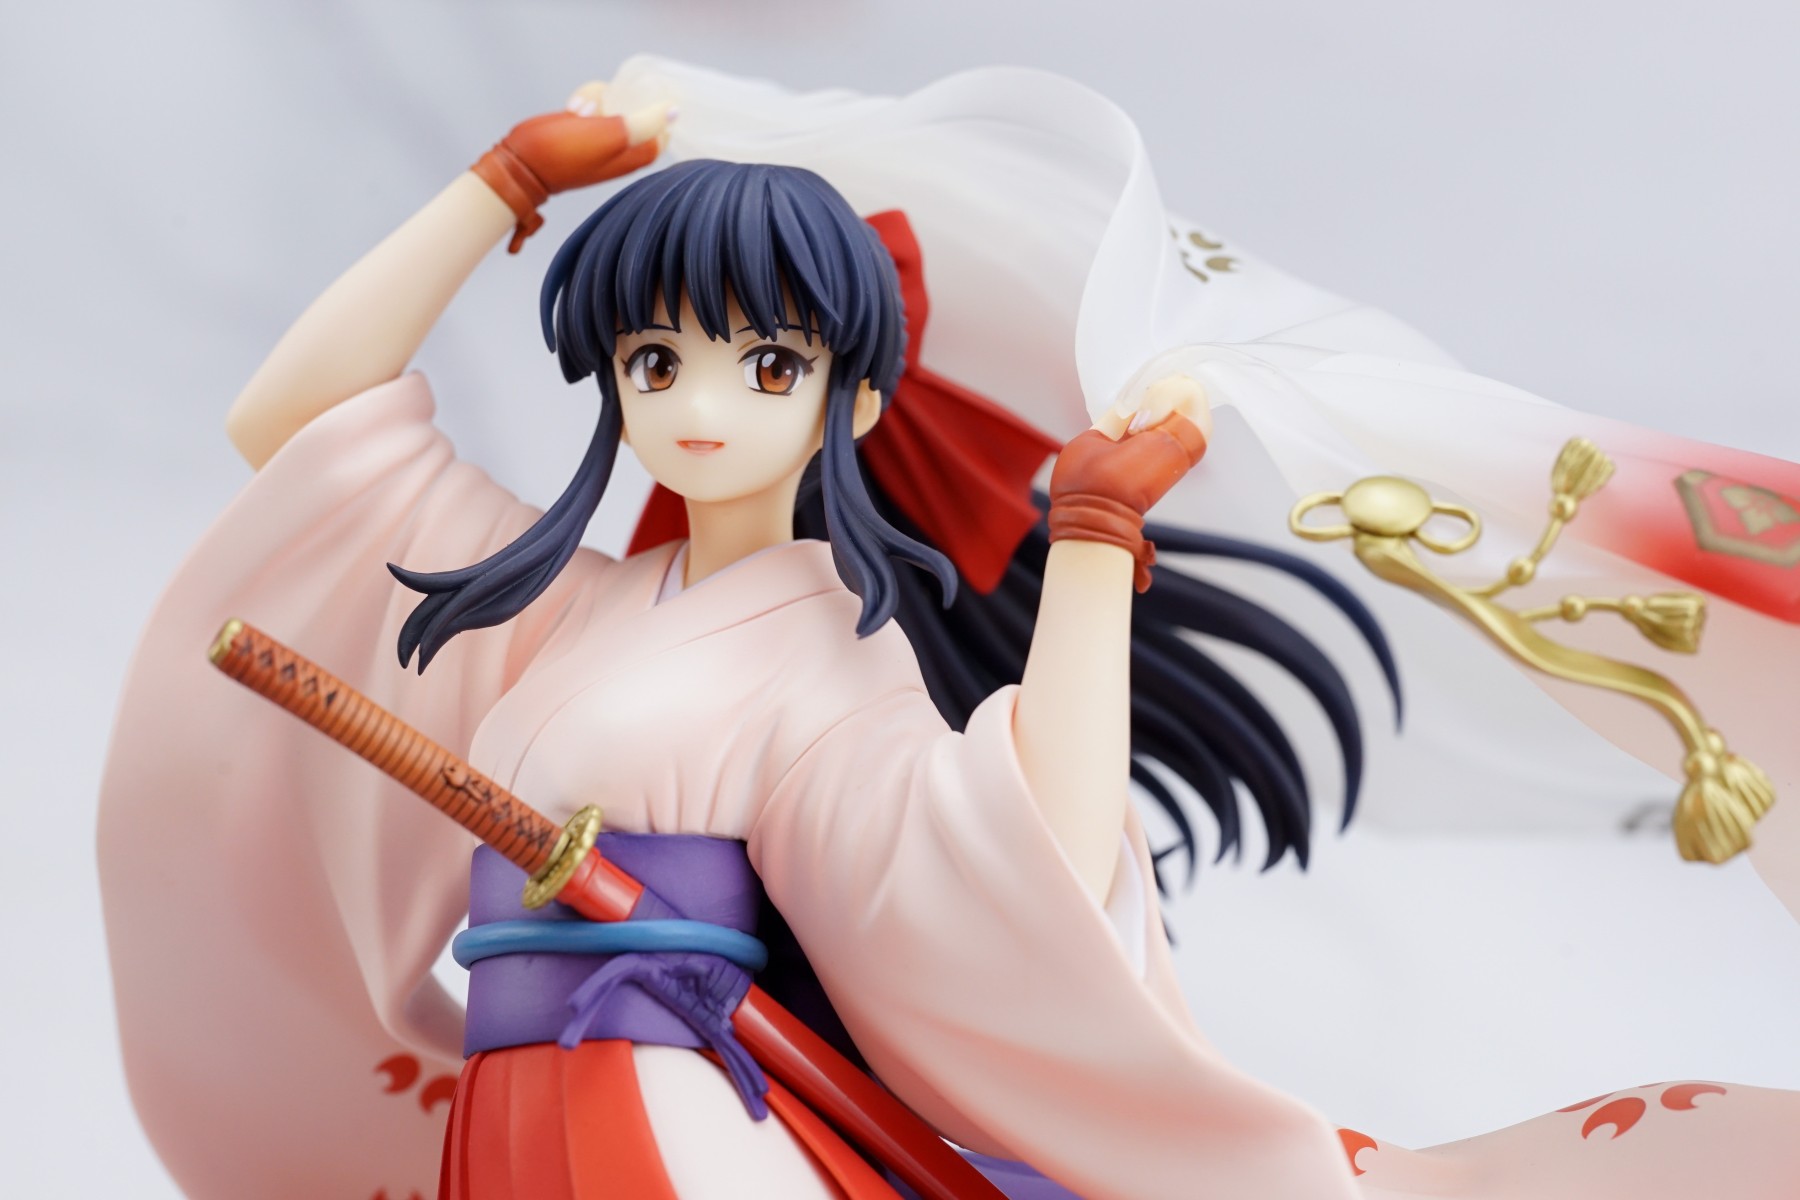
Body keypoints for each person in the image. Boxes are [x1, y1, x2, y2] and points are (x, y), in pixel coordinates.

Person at [98, 61, 1800, 1200]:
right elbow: (298, 419)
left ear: (845, 395)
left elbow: (1032, 841)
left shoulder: (821, 663)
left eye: (766, 364)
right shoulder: (554, 609)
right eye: (656, 360)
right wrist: (504, 184)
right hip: (517, 1106)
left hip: (672, 1110)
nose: (701, 405)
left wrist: (1096, 543)